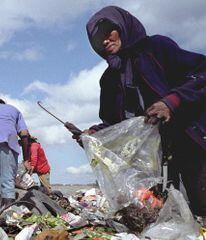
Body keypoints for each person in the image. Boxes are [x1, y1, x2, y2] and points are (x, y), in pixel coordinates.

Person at [79, 6, 206, 216]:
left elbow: (201, 74)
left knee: (202, 203)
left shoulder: (156, 48)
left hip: (190, 140)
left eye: (107, 32)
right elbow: (116, 123)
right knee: (164, 212)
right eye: (96, 40)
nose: (103, 41)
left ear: (121, 26)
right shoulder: (110, 79)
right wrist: (95, 133)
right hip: (155, 157)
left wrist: (172, 102)